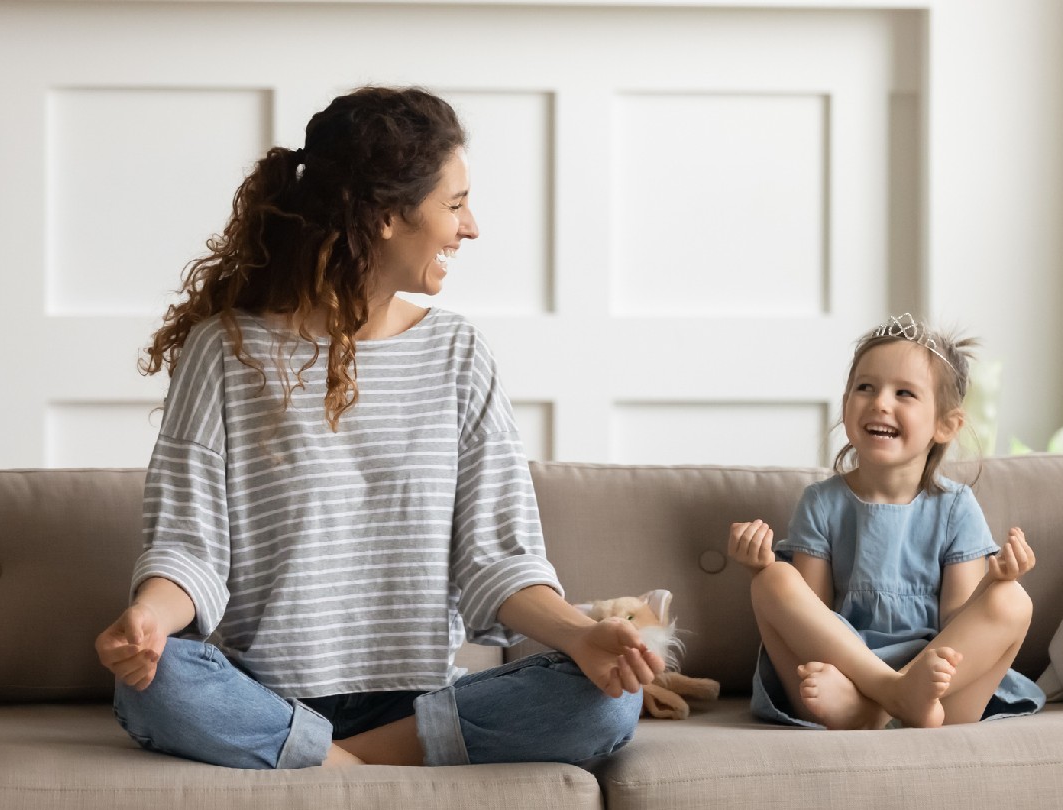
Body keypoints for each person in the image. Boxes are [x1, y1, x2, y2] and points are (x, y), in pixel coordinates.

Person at [94, 86, 662, 770]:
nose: (470, 226)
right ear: (388, 214)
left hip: (415, 700)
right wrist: (150, 621)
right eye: (454, 205)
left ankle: (325, 763)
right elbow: (190, 549)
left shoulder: (458, 355)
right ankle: (358, 763)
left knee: (607, 699)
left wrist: (581, 635)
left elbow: (498, 563)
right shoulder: (225, 351)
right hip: (265, 693)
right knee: (152, 688)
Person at [728, 313, 1044, 730]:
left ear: (946, 424)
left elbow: (957, 623)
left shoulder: (956, 508)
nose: (880, 402)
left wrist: (993, 581)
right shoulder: (822, 503)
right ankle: (887, 695)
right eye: (865, 387)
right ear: (845, 405)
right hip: (842, 675)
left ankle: (880, 707)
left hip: (936, 691)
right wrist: (757, 564)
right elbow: (816, 617)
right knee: (772, 580)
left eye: (904, 393)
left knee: (1012, 600)